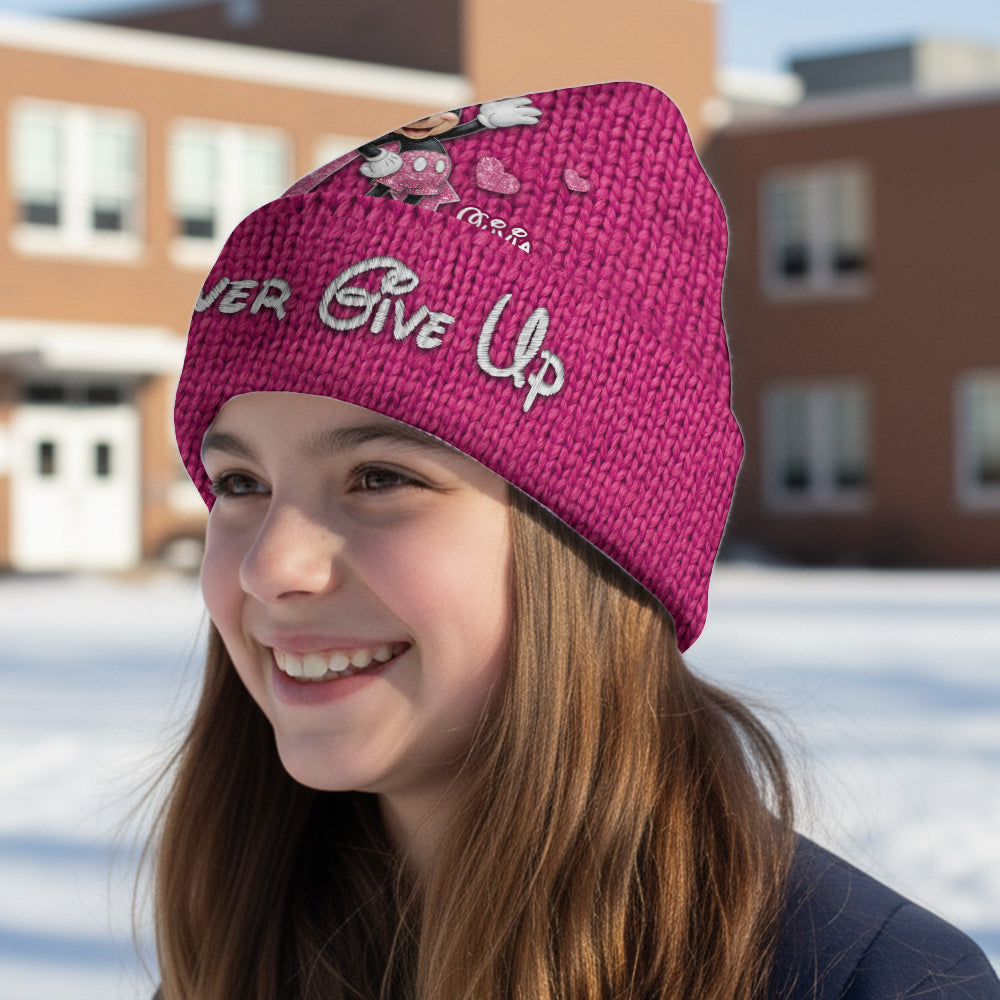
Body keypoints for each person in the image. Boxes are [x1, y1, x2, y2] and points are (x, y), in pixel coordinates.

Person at [160, 82, 999, 1000]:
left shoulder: (874, 984)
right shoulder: (241, 950)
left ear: (592, 545)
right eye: (240, 484)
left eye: (381, 478)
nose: (271, 566)